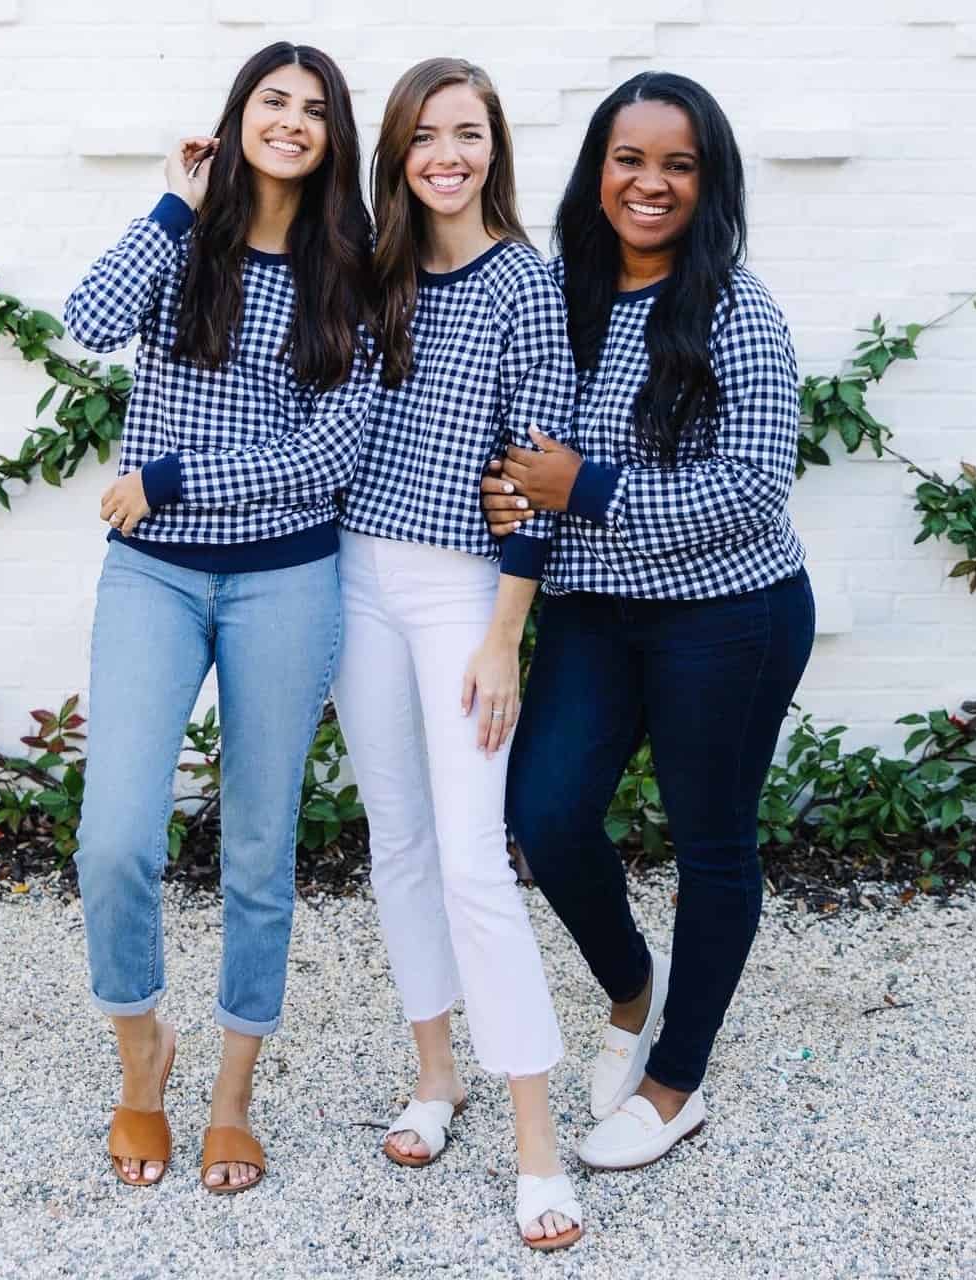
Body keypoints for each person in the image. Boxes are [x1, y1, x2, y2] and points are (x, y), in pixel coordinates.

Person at [481, 71, 815, 1171]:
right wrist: (513, 491)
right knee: (545, 809)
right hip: (592, 612)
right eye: (630, 159)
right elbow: (525, 456)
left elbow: (753, 484)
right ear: (597, 169)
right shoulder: (555, 295)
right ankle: (632, 982)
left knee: (710, 840)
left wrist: (589, 489)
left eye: (678, 163)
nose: (651, 183)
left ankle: (674, 1082)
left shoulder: (734, 308)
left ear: (706, 181)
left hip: (730, 616)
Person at [63, 41, 376, 1194]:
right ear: (236, 115)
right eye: (270, 101)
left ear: (334, 135)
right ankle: (143, 1063)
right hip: (152, 575)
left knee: (256, 845)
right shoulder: (182, 239)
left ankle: (232, 1092)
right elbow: (88, 318)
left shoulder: (353, 265)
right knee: (116, 838)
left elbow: (328, 451)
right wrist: (166, 198)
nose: (289, 121)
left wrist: (172, 476)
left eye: (311, 110)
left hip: (285, 577)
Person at [330, 58, 584, 1250]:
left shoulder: (525, 286)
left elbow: (536, 476)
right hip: (349, 575)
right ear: (398, 148)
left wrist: (502, 636)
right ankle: (435, 1078)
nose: (446, 153)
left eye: (467, 133)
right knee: (399, 840)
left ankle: (537, 1140)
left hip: (456, 595)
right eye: (425, 134)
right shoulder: (370, 267)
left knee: (477, 859)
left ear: (494, 147)